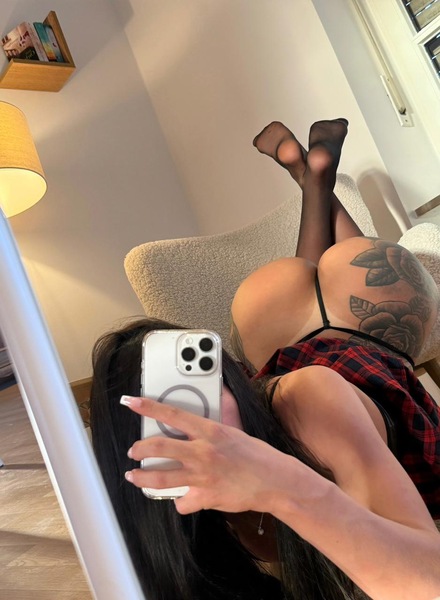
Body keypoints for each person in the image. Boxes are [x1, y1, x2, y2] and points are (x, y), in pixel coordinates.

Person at [90, 119, 440, 600]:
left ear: (229, 377)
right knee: (324, 266)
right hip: (272, 327)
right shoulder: (176, 517)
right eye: (170, 412)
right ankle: (313, 179)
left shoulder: (311, 400)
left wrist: (284, 486)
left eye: (196, 394)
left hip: (350, 344)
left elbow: (428, 581)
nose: (195, 423)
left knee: (353, 261)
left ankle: (314, 178)